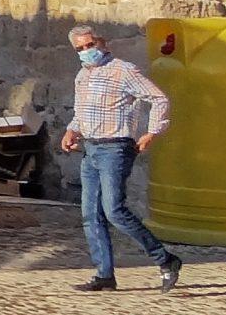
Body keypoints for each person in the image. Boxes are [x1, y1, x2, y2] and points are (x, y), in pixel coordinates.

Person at [59, 23, 183, 293]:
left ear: (101, 42)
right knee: (90, 214)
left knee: (114, 209)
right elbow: (82, 111)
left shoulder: (123, 70)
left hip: (115, 147)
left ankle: (165, 259)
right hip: (90, 148)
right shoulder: (83, 76)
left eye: (89, 45)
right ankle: (104, 273)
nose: (86, 52)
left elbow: (158, 98)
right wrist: (72, 130)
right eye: (80, 49)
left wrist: (152, 132)